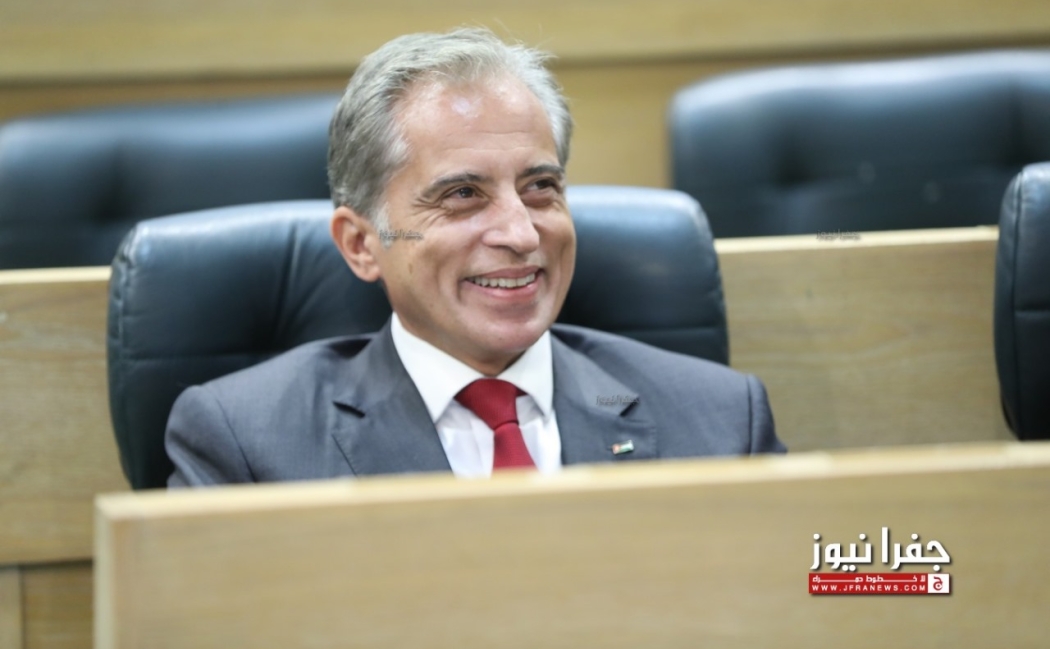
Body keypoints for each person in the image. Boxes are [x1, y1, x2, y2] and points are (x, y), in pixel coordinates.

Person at [166, 28, 784, 486]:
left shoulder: (724, 420)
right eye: (462, 195)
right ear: (361, 244)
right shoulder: (245, 442)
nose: (520, 233)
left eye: (540, 187)